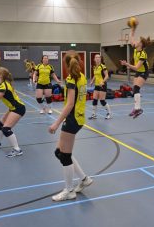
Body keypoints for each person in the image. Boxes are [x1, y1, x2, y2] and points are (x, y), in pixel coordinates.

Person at [48, 53, 93, 201]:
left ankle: (69, 190)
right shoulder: (81, 76)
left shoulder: (71, 79)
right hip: (78, 118)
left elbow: (70, 104)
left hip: (72, 119)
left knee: (65, 155)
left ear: (67, 65)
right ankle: (84, 179)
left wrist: (56, 122)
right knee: (59, 152)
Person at [120, 20, 153, 118]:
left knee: (136, 88)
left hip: (143, 72)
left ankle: (138, 109)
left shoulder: (143, 54)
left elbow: (136, 67)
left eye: (138, 41)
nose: (136, 41)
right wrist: (133, 28)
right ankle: (136, 108)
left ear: (141, 44)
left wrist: (126, 64)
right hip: (139, 72)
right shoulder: (135, 48)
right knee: (134, 91)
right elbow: (131, 37)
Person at [88, 54, 112, 120]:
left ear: (100, 59)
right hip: (97, 85)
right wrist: (92, 81)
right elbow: (95, 75)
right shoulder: (95, 67)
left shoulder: (103, 67)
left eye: (99, 57)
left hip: (102, 85)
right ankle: (94, 115)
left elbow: (107, 76)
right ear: (94, 59)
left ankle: (109, 113)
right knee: (95, 100)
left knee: (102, 100)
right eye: (96, 57)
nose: (98, 58)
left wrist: (102, 81)